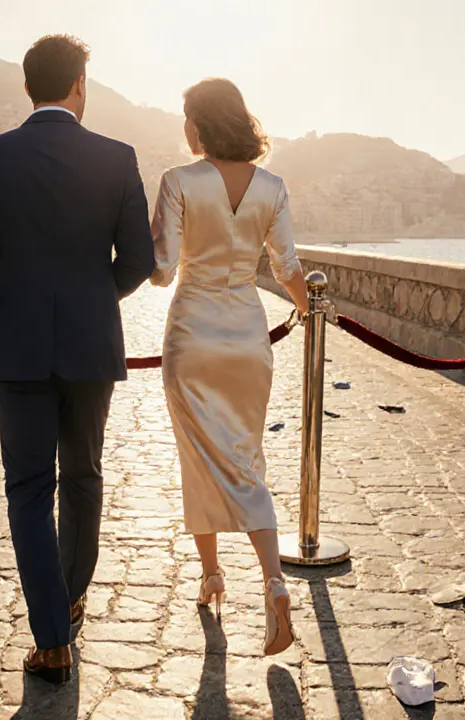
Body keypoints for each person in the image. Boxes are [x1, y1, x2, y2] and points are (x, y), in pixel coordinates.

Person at [0, 34, 155, 684]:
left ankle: (52, 639)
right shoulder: (118, 158)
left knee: (29, 493)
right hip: (93, 346)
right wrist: (97, 297)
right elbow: (142, 261)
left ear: (29, 86)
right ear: (78, 86)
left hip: (17, 348)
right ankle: (67, 600)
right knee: (85, 477)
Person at [150, 78, 309, 657]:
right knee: (244, 458)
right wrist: (312, 308)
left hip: (192, 336)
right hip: (247, 337)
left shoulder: (178, 182)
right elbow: (287, 266)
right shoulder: (273, 187)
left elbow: (163, 271)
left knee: (196, 455)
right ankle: (270, 581)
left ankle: (214, 573)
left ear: (199, 124)